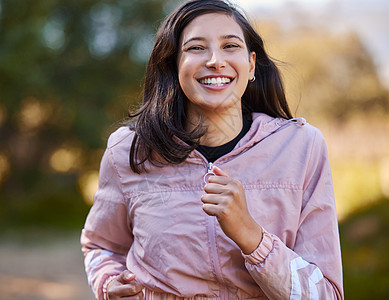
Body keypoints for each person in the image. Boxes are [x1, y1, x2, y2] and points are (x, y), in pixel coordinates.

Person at [80, 0, 344, 299]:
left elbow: (326, 293)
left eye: (230, 46)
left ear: (252, 64)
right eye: (196, 48)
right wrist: (109, 283)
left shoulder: (302, 146)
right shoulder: (129, 150)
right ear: (173, 65)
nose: (215, 60)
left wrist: (251, 236)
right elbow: (101, 246)